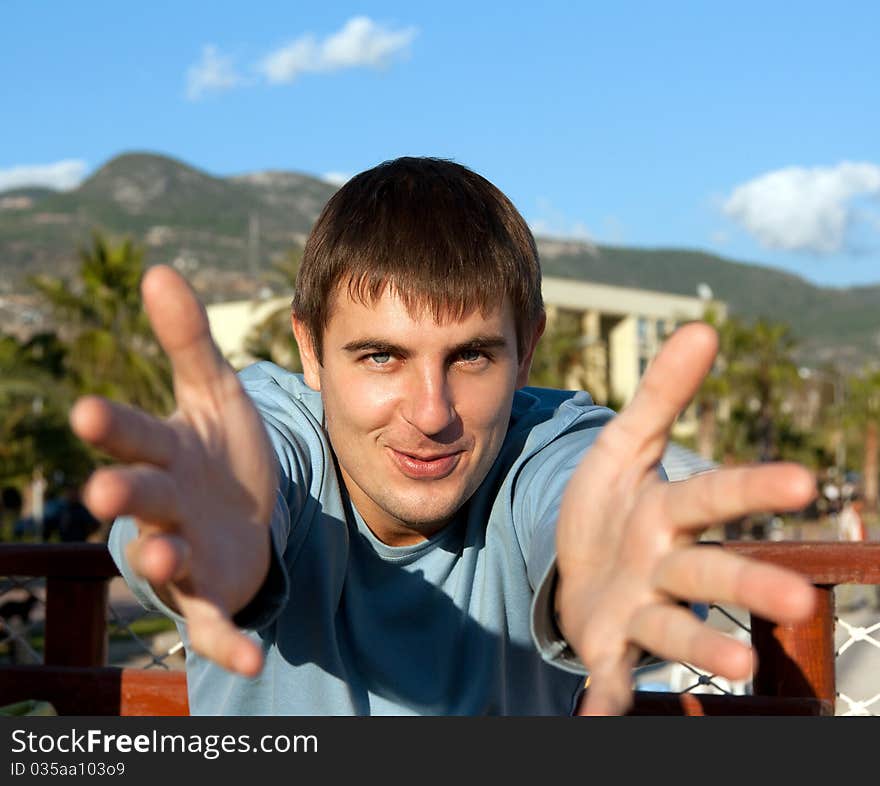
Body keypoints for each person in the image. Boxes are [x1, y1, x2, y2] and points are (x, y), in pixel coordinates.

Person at [70, 157, 817, 716]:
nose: (432, 412)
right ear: (309, 350)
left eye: (472, 356)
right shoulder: (272, 439)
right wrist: (210, 551)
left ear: (527, 351)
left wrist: (608, 566)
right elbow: (239, 476)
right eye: (380, 356)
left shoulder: (552, 445)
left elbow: (587, 495)